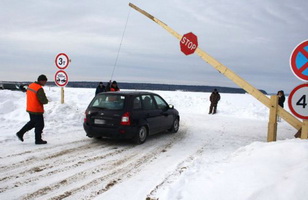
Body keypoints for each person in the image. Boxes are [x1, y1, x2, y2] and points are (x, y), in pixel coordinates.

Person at [16, 74, 49, 144]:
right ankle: (38, 140)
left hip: (30, 108)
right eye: (45, 81)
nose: (45, 83)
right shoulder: (39, 88)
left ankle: (20, 133)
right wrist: (46, 100)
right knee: (40, 125)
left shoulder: (31, 86)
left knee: (33, 123)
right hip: (36, 109)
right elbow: (44, 100)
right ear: (42, 81)